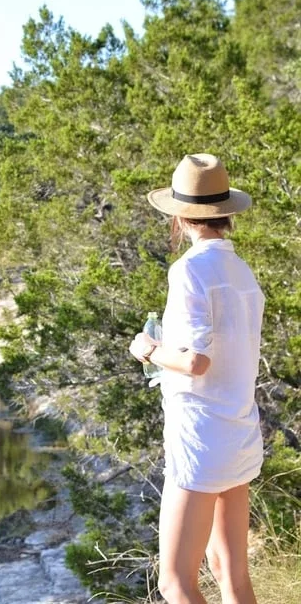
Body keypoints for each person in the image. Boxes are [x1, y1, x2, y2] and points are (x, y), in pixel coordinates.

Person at [128, 153, 264, 604]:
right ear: (225, 213)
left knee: (175, 582)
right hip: (239, 433)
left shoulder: (188, 270)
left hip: (201, 439)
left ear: (181, 216)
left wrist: (147, 349)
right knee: (230, 574)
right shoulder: (243, 274)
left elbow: (195, 362)